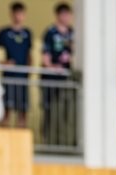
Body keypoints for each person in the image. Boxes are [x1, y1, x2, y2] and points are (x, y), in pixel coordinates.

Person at [40, 3, 75, 147]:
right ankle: (48, 141)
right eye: (64, 14)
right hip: (52, 79)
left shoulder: (73, 33)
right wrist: (52, 66)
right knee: (49, 111)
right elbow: (45, 56)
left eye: (68, 14)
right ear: (58, 15)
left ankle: (66, 142)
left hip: (68, 79)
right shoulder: (50, 32)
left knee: (67, 111)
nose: (66, 17)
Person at [0, 2, 32, 128]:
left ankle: (21, 139)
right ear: (11, 14)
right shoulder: (4, 33)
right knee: (7, 109)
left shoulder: (27, 33)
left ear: (24, 15)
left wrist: (29, 71)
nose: (18, 16)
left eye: (20, 13)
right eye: (15, 13)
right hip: (8, 77)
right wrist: (3, 63)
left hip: (23, 78)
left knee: (23, 110)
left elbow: (29, 54)